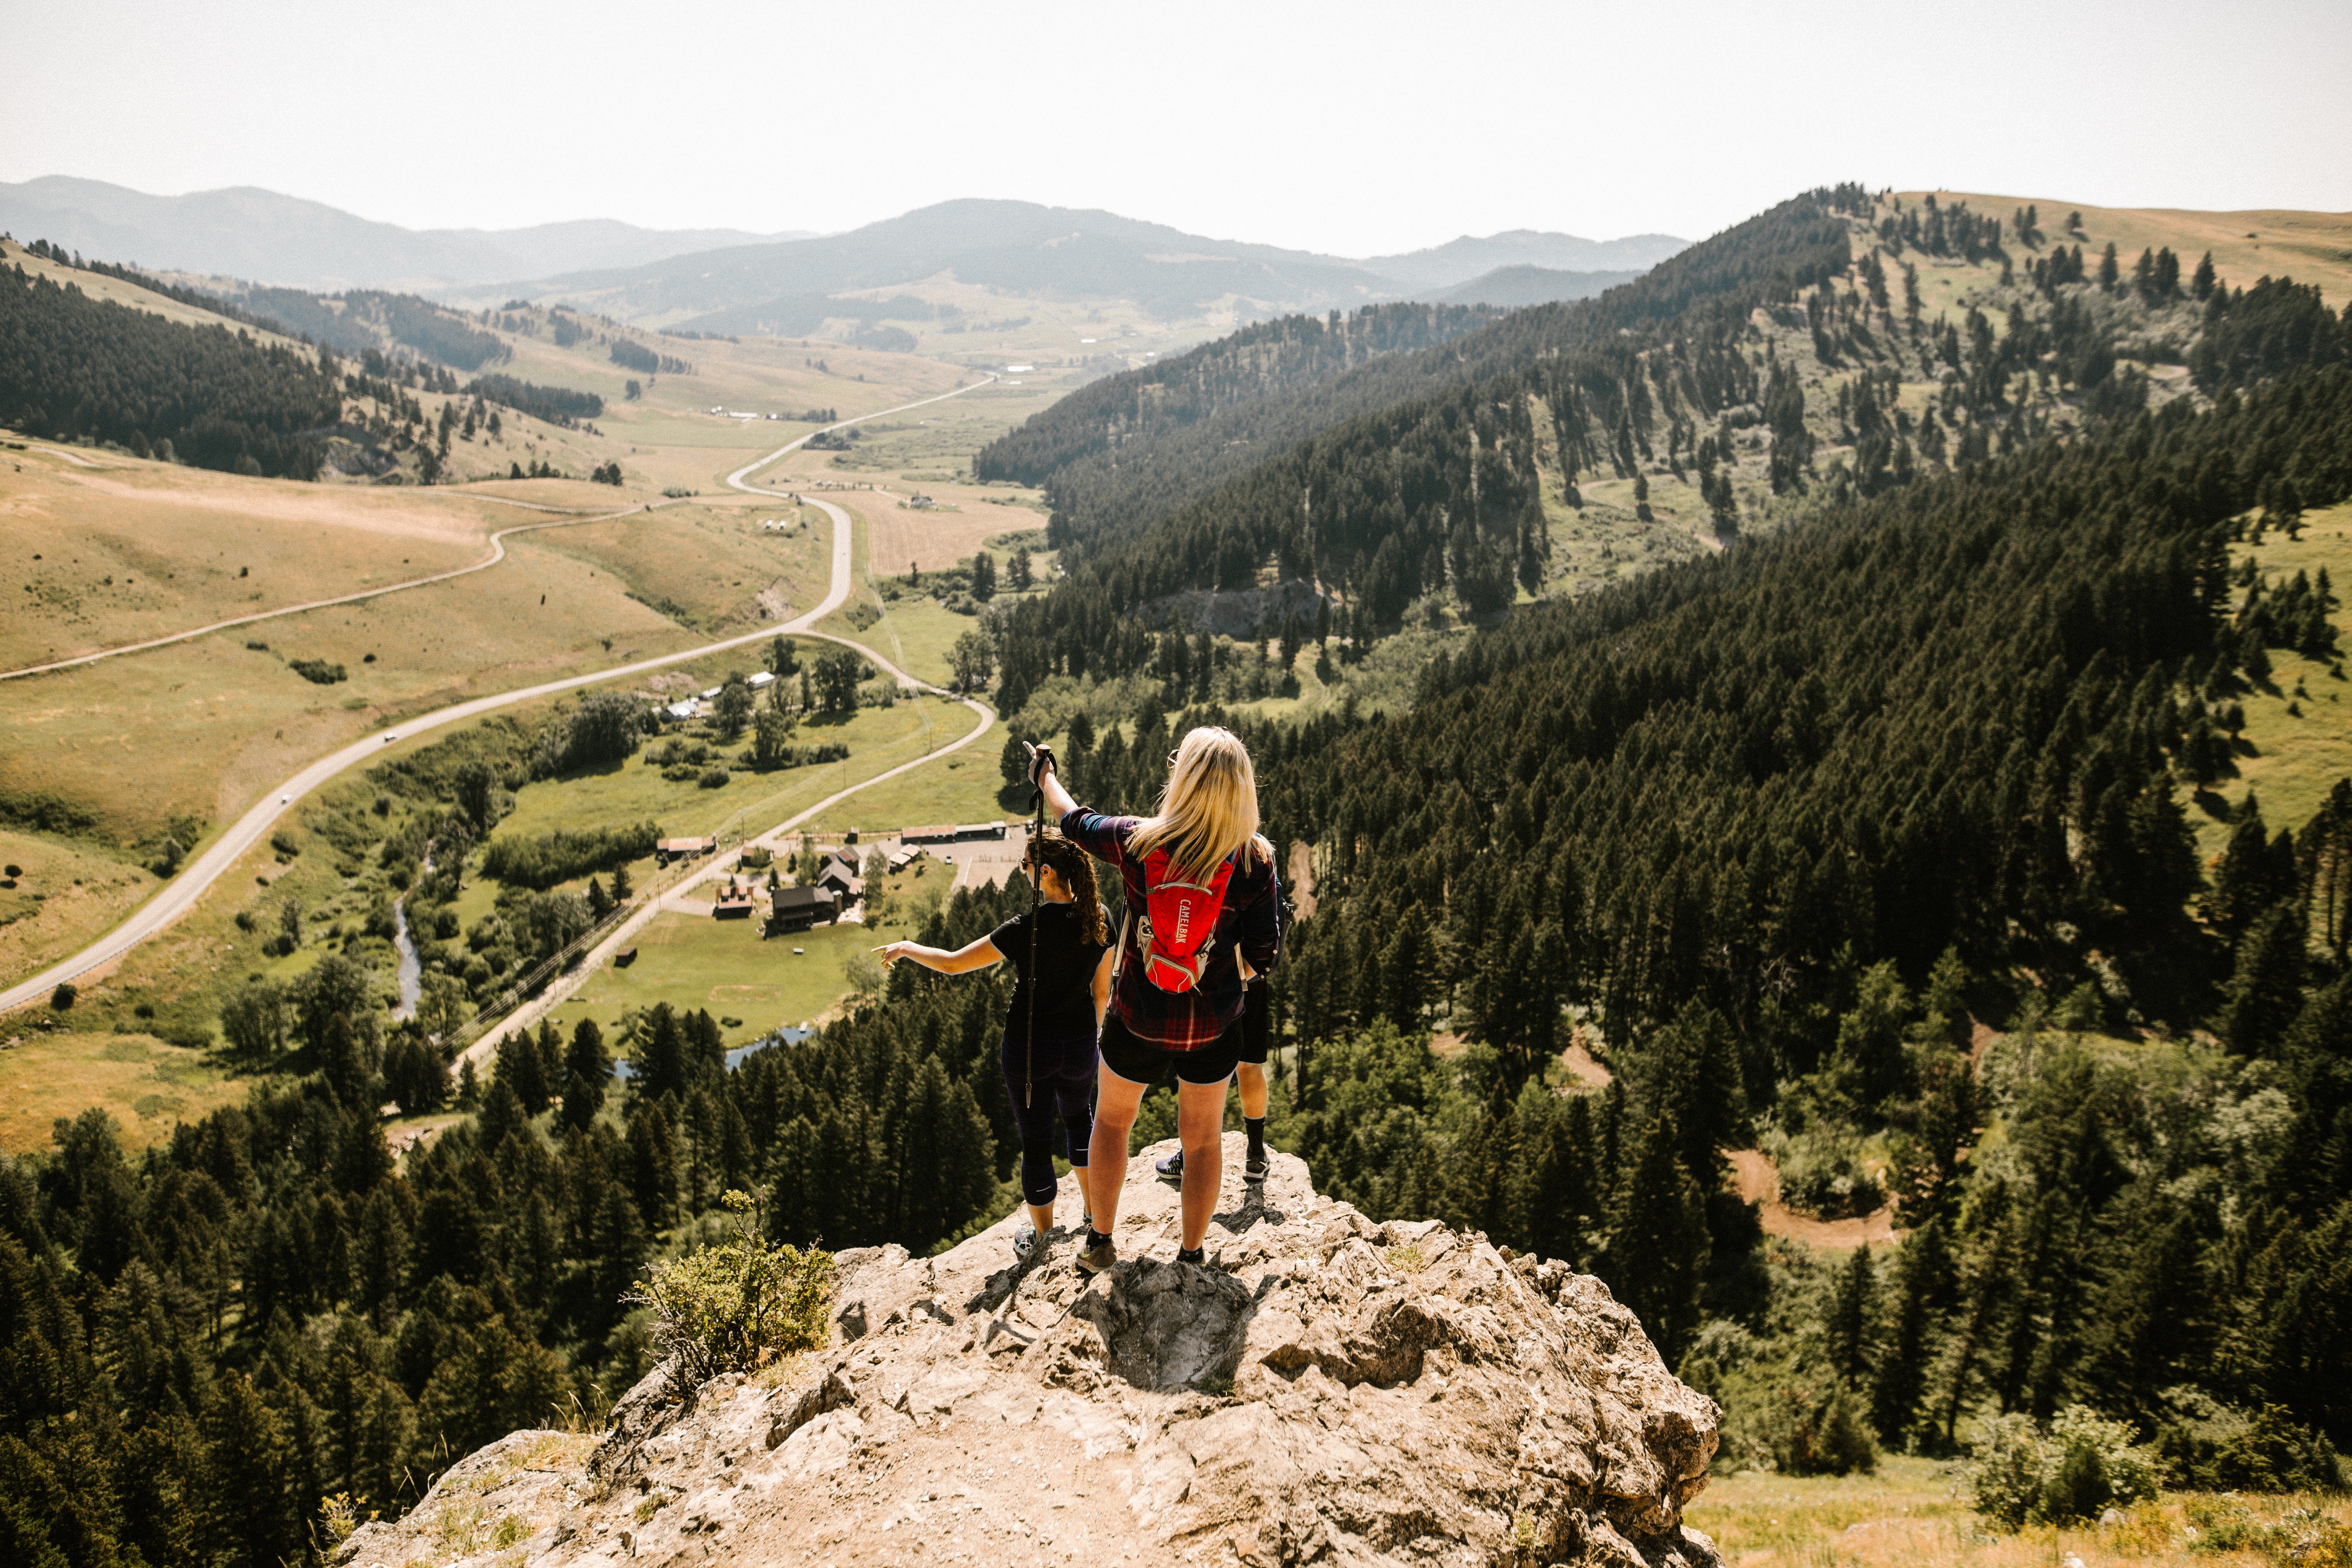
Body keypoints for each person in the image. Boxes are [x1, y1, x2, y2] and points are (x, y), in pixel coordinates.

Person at [1030, 726, 1281, 1275]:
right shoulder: (1254, 861)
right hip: (1214, 1024)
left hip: (1137, 1016)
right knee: (1203, 1141)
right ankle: (1191, 1253)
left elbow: (1075, 822)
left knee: (1114, 1123)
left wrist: (1046, 777)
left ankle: (1100, 1242)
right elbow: (1265, 954)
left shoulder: (1139, 841)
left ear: (1182, 779)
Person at [871, 828, 1113, 1259]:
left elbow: (951, 964)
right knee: (1081, 1123)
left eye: (1026, 867)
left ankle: (1043, 1241)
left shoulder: (1025, 929)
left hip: (1028, 1049)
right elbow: (1101, 994)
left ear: (1045, 873)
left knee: (1037, 1141)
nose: (1023, 873)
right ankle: (1095, 1218)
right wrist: (1090, 1041)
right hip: (1080, 1044)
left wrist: (907, 947)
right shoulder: (1100, 918)